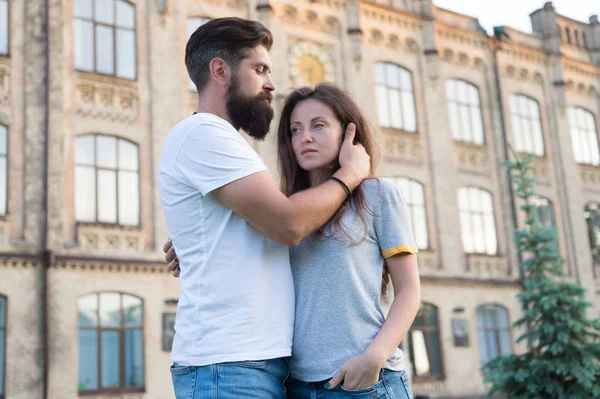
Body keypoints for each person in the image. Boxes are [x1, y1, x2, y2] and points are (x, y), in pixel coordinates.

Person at [158, 18, 370, 399]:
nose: (271, 83)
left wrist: (198, 241)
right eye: (260, 70)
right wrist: (350, 175)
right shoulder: (204, 134)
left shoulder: (225, 144)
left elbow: (263, 224)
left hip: (255, 363)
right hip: (227, 367)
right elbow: (288, 224)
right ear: (220, 71)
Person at [165, 84, 421, 398]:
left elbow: (409, 290)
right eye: (295, 130)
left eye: (319, 126)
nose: (305, 138)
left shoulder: (378, 195)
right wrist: (190, 245)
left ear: (348, 133)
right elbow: (231, 240)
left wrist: (374, 357)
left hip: (365, 382)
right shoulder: (285, 210)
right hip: (297, 386)